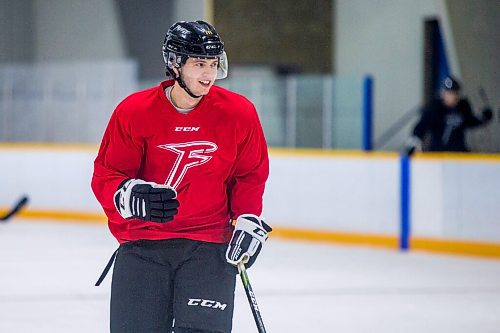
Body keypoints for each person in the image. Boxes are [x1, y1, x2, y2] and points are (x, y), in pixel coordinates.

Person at [91, 20, 271, 333]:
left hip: (209, 248)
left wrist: (247, 219)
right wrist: (127, 193)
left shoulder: (239, 113)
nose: (209, 74)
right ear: (175, 65)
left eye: (213, 64)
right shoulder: (134, 112)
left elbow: (249, 174)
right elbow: (108, 173)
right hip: (144, 247)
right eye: (199, 63)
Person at [406, 76, 493, 154]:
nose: (452, 96)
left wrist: (483, 117)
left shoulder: (462, 106)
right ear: (443, 93)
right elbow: (422, 126)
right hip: (438, 155)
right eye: (449, 93)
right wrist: (414, 142)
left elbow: (469, 121)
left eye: (455, 93)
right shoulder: (435, 108)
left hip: (459, 154)